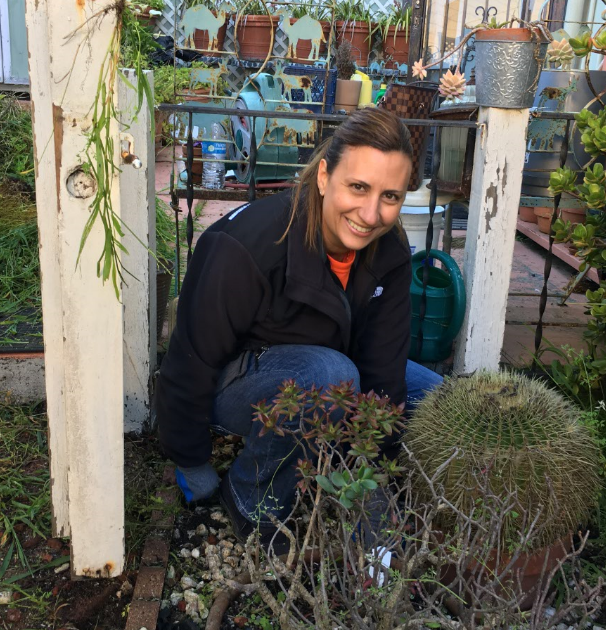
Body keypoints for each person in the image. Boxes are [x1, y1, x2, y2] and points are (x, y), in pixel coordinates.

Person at [155, 107, 443, 545]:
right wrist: (193, 464)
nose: (371, 214)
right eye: (358, 187)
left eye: (391, 196)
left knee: (434, 397)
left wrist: (366, 473)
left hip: (325, 371)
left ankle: (351, 474)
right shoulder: (247, 246)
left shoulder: (390, 250)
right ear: (325, 177)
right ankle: (251, 494)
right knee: (331, 377)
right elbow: (190, 360)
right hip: (236, 384)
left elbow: (384, 365)